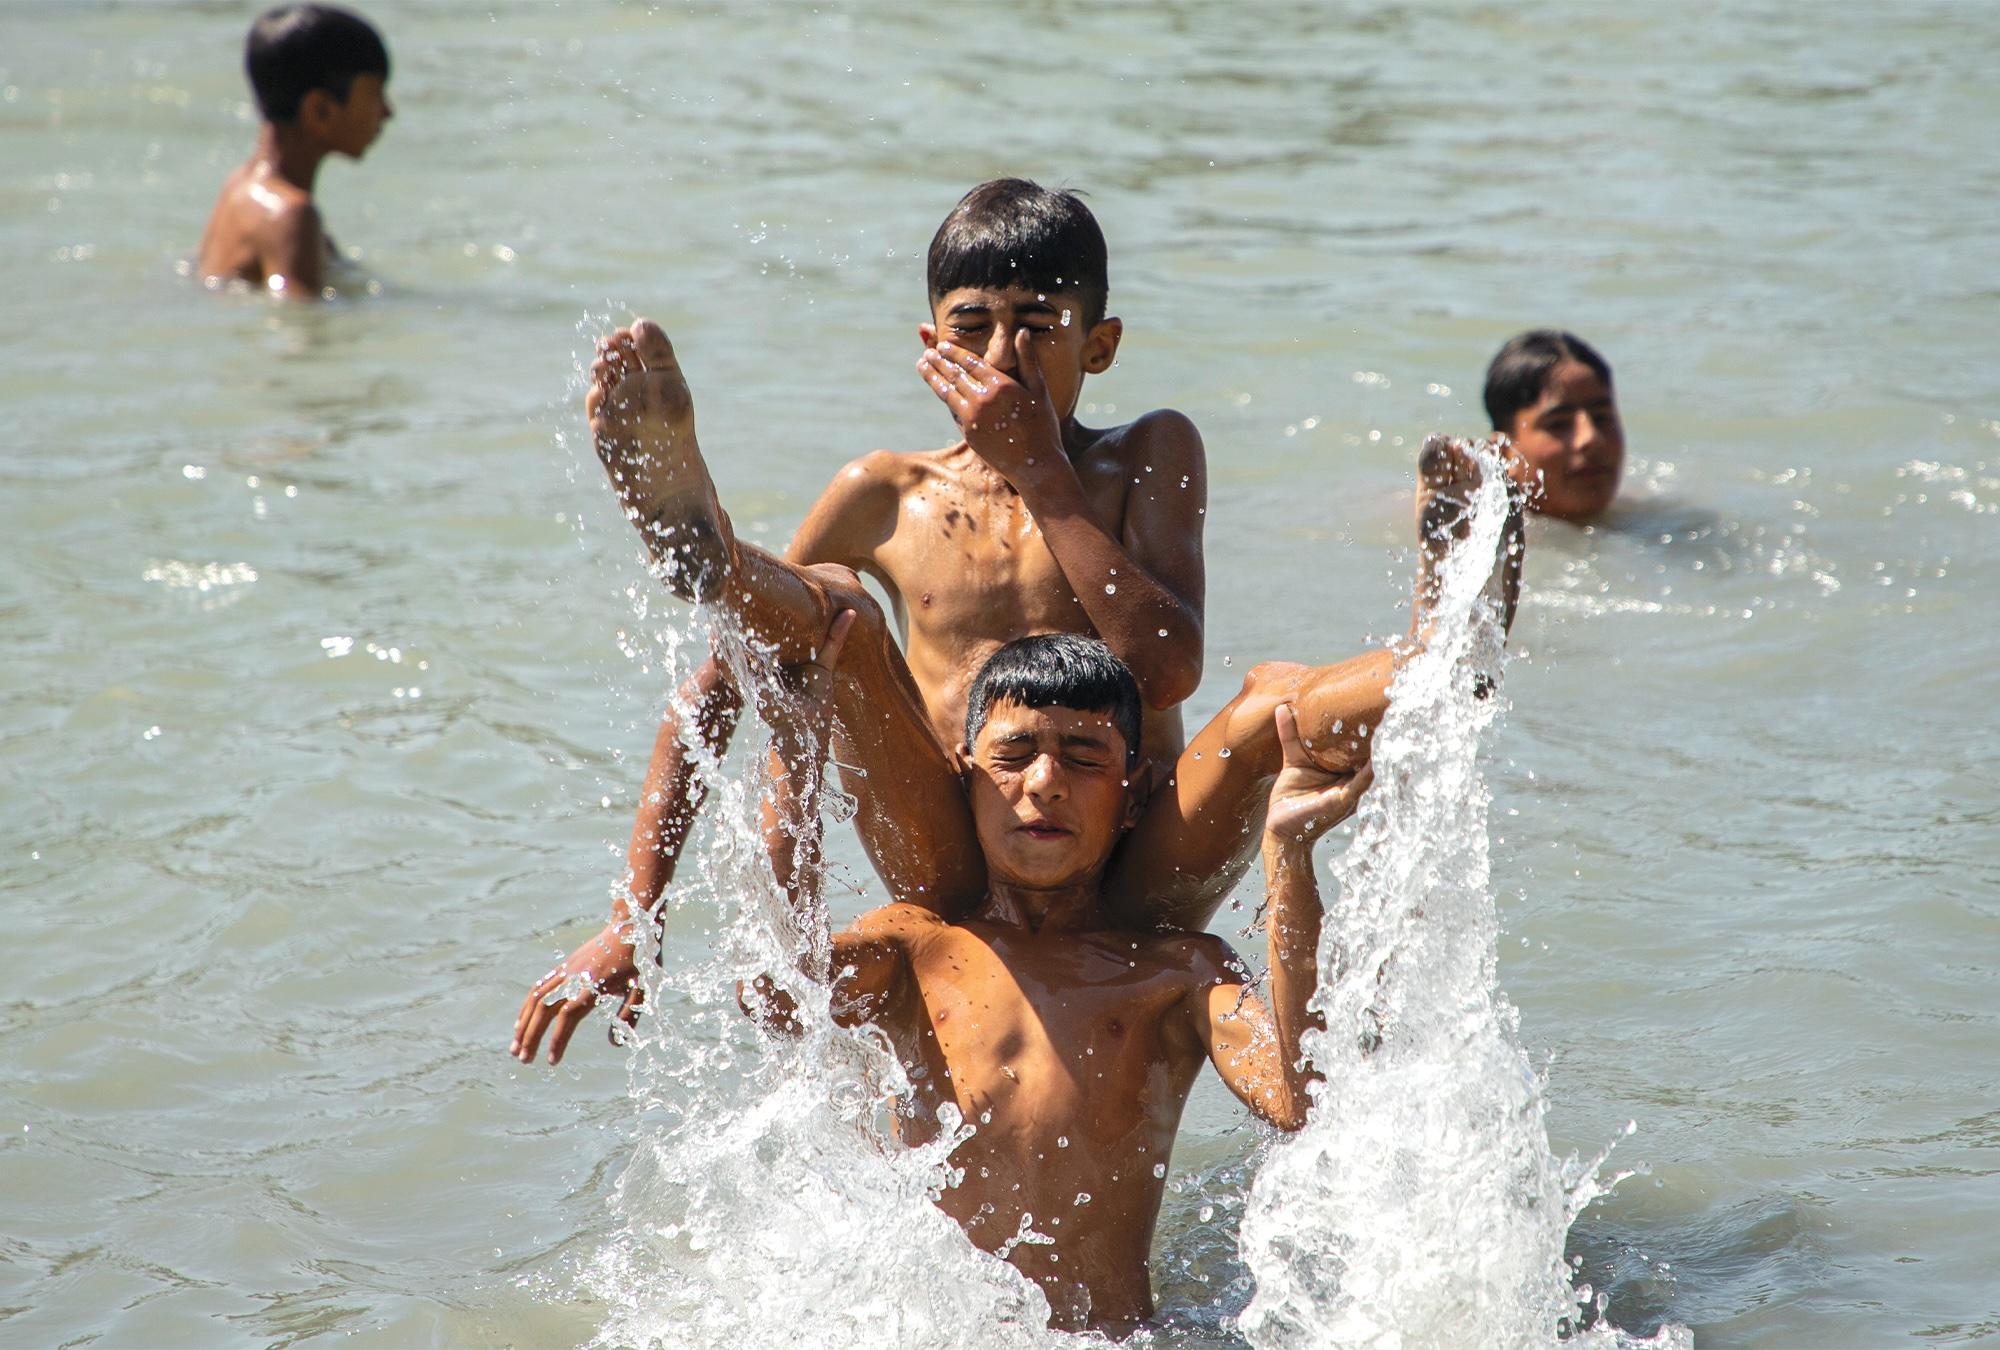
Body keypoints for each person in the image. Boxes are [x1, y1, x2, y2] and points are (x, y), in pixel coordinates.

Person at [510, 179, 1521, 1065]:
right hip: (956, 857)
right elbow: (717, 689)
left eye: (1037, 326)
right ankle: (708, 555)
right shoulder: (884, 493)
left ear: (1099, 345)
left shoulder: (1147, 455)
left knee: (1270, 703)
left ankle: (1442, 661)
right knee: (837, 620)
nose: (1002, 357)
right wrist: (632, 918)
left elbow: (1166, 669)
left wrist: (1041, 470)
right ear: (929, 345)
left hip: (1142, 859)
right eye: (972, 327)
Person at [746, 627, 1364, 1333]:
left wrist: (1289, 852)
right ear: (966, 778)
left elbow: (1302, 1100)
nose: (1044, 783)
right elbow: (776, 995)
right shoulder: (915, 946)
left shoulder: (1178, 972)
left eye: (1084, 758)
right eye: (1013, 756)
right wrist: (793, 749)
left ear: (1133, 798)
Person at [196, 4, 392, 299]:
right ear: (320, 111)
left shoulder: (239, 186)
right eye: (375, 94)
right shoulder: (291, 216)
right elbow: (299, 321)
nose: (388, 112)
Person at [1483, 330, 1625, 522]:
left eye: (1601, 417)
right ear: (1504, 452)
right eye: (1558, 424)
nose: (1591, 438)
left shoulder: (1649, 518)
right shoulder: (1479, 536)